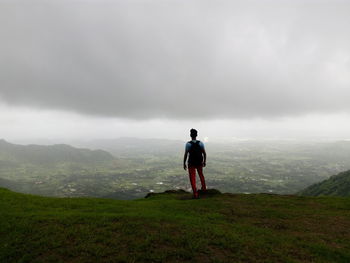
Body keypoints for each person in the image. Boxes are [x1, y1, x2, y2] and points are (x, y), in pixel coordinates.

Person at [183, 128, 207, 198]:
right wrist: (204, 162)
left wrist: (184, 163)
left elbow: (186, 154)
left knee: (192, 178)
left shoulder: (188, 144)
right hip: (199, 162)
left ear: (190, 135)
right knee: (201, 175)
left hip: (191, 163)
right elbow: (204, 153)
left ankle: (195, 193)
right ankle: (204, 189)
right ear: (196, 135)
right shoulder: (200, 143)